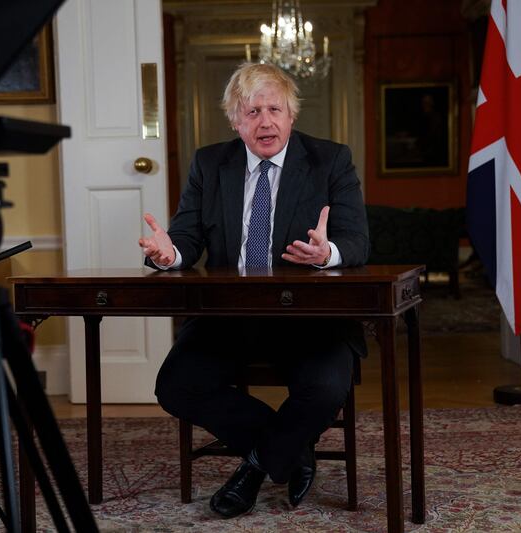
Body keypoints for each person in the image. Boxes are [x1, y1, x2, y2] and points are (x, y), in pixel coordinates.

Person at [138, 62, 369, 518]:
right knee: (176, 386)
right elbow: (186, 238)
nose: (265, 122)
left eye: (274, 110)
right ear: (235, 120)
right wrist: (169, 255)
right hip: (230, 315)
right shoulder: (210, 163)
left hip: (310, 316)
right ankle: (291, 450)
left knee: (325, 389)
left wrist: (328, 254)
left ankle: (254, 469)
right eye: (252, 112)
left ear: (291, 115)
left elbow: (357, 241)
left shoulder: (330, 159)